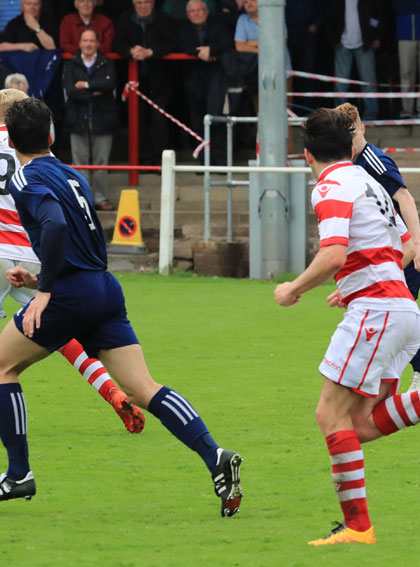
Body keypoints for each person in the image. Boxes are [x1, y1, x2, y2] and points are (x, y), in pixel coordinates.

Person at [0, 98, 242, 514]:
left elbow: (56, 225)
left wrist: (46, 290)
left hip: (70, 294)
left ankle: (19, 473)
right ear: (52, 135)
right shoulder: (72, 174)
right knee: (144, 388)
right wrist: (40, 279)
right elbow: (79, 239)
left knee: (3, 367)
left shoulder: (25, 179)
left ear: (11, 138)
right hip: (105, 288)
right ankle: (215, 455)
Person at [274, 108, 420, 546]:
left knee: (330, 415)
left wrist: (295, 289)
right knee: (359, 423)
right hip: (401, 311)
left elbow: (334, 254)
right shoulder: (369, 182)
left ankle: (358, 527)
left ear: (306, 155)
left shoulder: (330, 185)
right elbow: (400, 245)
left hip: (377, 313)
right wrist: (354, 283)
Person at [0, 88, 143, 436]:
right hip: (38, 255)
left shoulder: (16, 141)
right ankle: (110, 390)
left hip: (1, 248)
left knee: (5, 359)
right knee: (59, 332)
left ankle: (17, 462)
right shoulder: (33, 149)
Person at [334, 102, 420, 391]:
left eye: (353, 134)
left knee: (394, 318)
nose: (350, 141)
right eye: (344, 136)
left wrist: (416, 244)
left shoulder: (374, 161)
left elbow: (406, 198)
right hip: (390, 248)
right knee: (394, 318)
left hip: (403, 248)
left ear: (362, 129)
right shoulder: (350, 166)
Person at [114, 0, 176, 165]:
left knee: (159, 122)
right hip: (134, 81)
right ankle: (141, 161)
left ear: (153, 3)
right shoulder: (124, 19)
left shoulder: (164, 19)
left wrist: (151, 52)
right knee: (137, 120)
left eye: (146, 2)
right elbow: (118, 43)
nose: (142, 6)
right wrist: (130, 51)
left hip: (160, 80)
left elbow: (171, 43)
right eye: (139, 2)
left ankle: (160, 162)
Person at [62, 28, 117, 210]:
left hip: (103, 120)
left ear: (97, 44)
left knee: (102, 163)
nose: (88, 44)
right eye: (85, 41)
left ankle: (101, 199)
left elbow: (110, 84)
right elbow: (70, 91)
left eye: (92, 41)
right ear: (79, 44)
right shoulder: (71, 65)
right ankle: (83, 200)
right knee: (80, 164)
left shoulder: (106, 63)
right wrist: (96, 92)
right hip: (77, 120)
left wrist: (85, 86)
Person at [177, 0, 230, 165]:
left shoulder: (219, 24)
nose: (196, 14)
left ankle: (220, 161)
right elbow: (178, 45)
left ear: (206, 11)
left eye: (199, 10)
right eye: (192, 11)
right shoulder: (183, 28)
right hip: (193, 82)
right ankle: (204, 161)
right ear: (187, 15)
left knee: (218, 121)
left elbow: (228, 43)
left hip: (217, 80)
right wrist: (200, 52)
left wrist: (212, 51)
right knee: (197, 123)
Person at [328, 0, 383, 121]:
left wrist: (376, 36)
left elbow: (377, 16)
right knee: (340, 84)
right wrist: (334, 39)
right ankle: (339, 117)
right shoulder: (337, 2)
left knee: (368, 83)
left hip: (365, 44)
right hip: (342, 44)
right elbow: (330, 18)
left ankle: (371, 115)